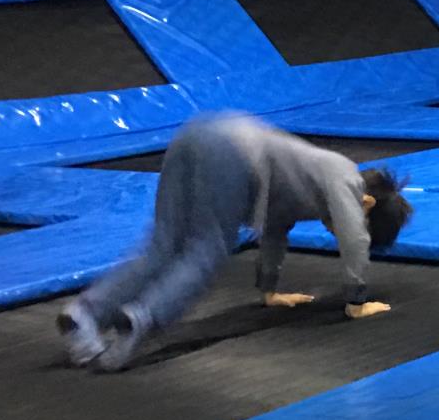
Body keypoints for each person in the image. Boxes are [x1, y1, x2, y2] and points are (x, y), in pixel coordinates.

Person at [58, 113, 413, 372]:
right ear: (367, 205)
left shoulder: (310, 183)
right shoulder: (345, 176)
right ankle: (140, 319)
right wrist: (356, 300)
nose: (334, 233)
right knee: (206, 251)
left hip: (197, 133)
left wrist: (269, 289)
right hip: (231, 150)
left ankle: (85, 314)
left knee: (162, 246)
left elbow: (275, 228)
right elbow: (354, 238)